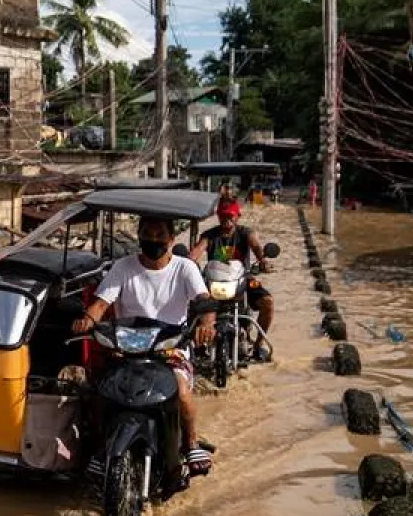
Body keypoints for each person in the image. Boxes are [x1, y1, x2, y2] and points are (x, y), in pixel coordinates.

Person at [71, 216, 215, 476]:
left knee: (181, 391)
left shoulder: (185, 269)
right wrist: (87, 320)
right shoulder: (122, 267)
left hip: (170, 349)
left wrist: (206, 324)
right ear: (138, 237)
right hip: (126, 349)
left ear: (172, 240)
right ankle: (101, 448)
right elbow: (101, 303)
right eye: (148, 234)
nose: (154, 240)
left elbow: (204, 301)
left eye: (160, 235)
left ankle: (191, 442)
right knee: (99, 392)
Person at [191, 198, 275, 360]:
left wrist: (263, 260)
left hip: (242, 280)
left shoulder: (245, 233)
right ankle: (195, 344)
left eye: (230, 216)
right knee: (189, 302)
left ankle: (258, 344)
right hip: (213, 282)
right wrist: (188, 262)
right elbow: (198, 250)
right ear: (218, 216)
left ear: (238, 216)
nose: (227, 220)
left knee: (268, 302)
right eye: (223, 216)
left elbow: (256, 246)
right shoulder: (209, 235)